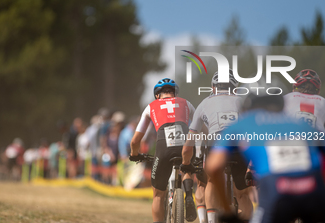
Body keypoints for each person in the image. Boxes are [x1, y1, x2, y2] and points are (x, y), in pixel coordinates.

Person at [206, 91, 325, 223]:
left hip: (276, 190)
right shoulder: (303, 124)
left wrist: (227, 212)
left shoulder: (244, 123)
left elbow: (214, 166)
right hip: (314, 190)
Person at [181, 69, 252, 223]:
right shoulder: (243, 100)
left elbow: (189, 143)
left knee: (212, 181)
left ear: (213, 87)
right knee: (243, 194)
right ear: (235, 87)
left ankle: (210, 220)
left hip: (216, 145)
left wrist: (186, 162)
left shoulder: (205, 102)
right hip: (239, 145)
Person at [130, 78, 196, 223]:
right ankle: (189, 195)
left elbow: (135, 140)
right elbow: (199, 125)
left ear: (157, 95)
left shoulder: (151, 107)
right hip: (186, 143)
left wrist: (134, 154)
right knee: (187, 166)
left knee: (158, 193)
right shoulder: (186, 103)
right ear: (174, 94)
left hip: (163, 145)